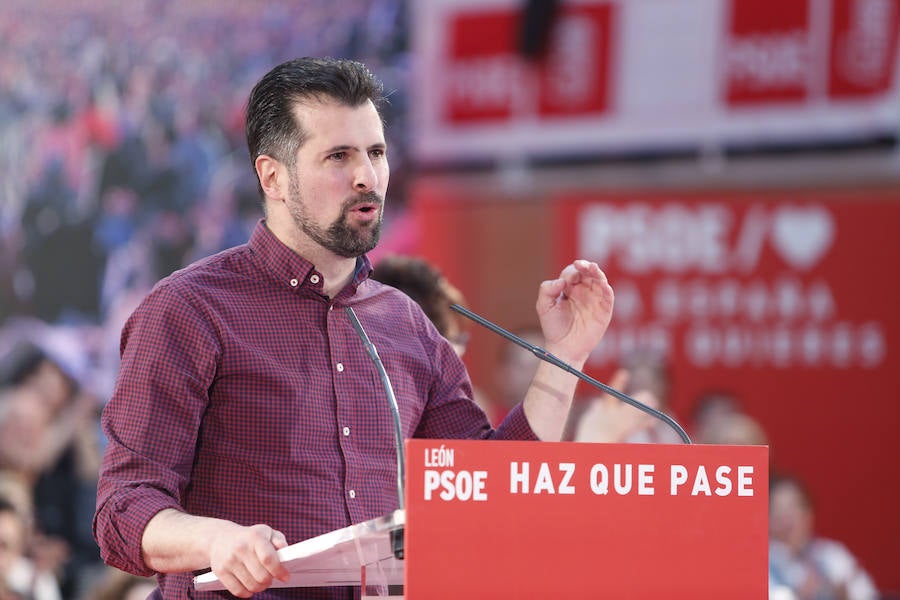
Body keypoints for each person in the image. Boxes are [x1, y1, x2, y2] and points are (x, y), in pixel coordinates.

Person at [93, 57, 614, 599]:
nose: (366, 175)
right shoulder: (191, 309)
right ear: (273, 176)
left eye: (376, 153)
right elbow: (123, 509)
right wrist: (215, 539)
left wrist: (566, 355)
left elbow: (488, 492)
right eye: (338, 156)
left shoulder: (405, 324)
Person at [768, 473, 878, 600]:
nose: (787, 518)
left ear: (809, 514)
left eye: (794, 507)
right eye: (778, 509)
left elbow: (865, 592)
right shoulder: (760, 566)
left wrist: (839, 592)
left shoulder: (831, 554)